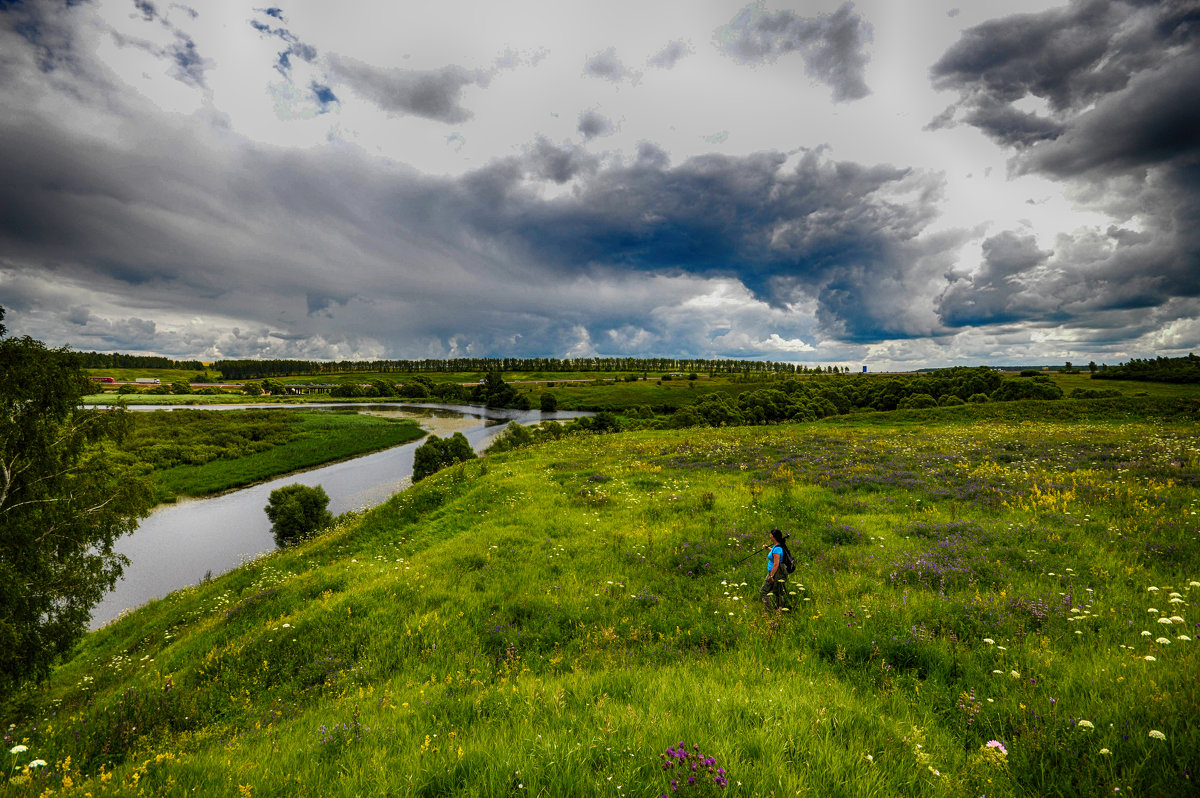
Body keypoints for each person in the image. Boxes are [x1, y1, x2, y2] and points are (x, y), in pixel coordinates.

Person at [759, 528, 788, 611]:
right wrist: (768, 548)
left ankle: (771, 610)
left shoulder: (777, 549)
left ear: (774, 537)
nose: (770, 537)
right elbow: (775, 553)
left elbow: (776, 564)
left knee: (764, 592)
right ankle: (779, 609)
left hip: (775, 572)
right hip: (777, 572)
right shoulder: (778, 546)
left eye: (771, 535)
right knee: (778, 592)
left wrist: (771, 575)